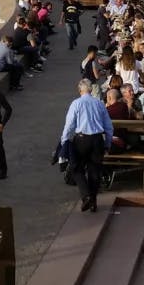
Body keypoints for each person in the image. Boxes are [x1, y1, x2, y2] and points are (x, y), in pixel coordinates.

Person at [61, 78, 115, 213]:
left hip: (82, 139)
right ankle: (93, 201)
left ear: (80, 90)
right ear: (91, 90)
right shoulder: (99, 104)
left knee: (76, 168)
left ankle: (86, 196)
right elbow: (108, 126)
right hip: (97, 139)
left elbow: (69, 125)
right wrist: (108, 143)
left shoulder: (76, 103)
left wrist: (64, 142)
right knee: (94, 171)